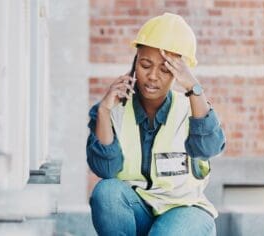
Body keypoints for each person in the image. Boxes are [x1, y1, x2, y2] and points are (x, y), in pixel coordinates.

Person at [86, 12, 225, 236]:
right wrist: (103, 111)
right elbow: (105, 169)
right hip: (136, 210)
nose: (152, 76)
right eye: (145, 65)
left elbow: (209, 148)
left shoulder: (191, 109)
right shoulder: (114, 111)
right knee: (106, 192)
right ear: (134, 63)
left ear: (179, 73)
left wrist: (194, 88)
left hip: (185, 211)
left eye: (165, 69)